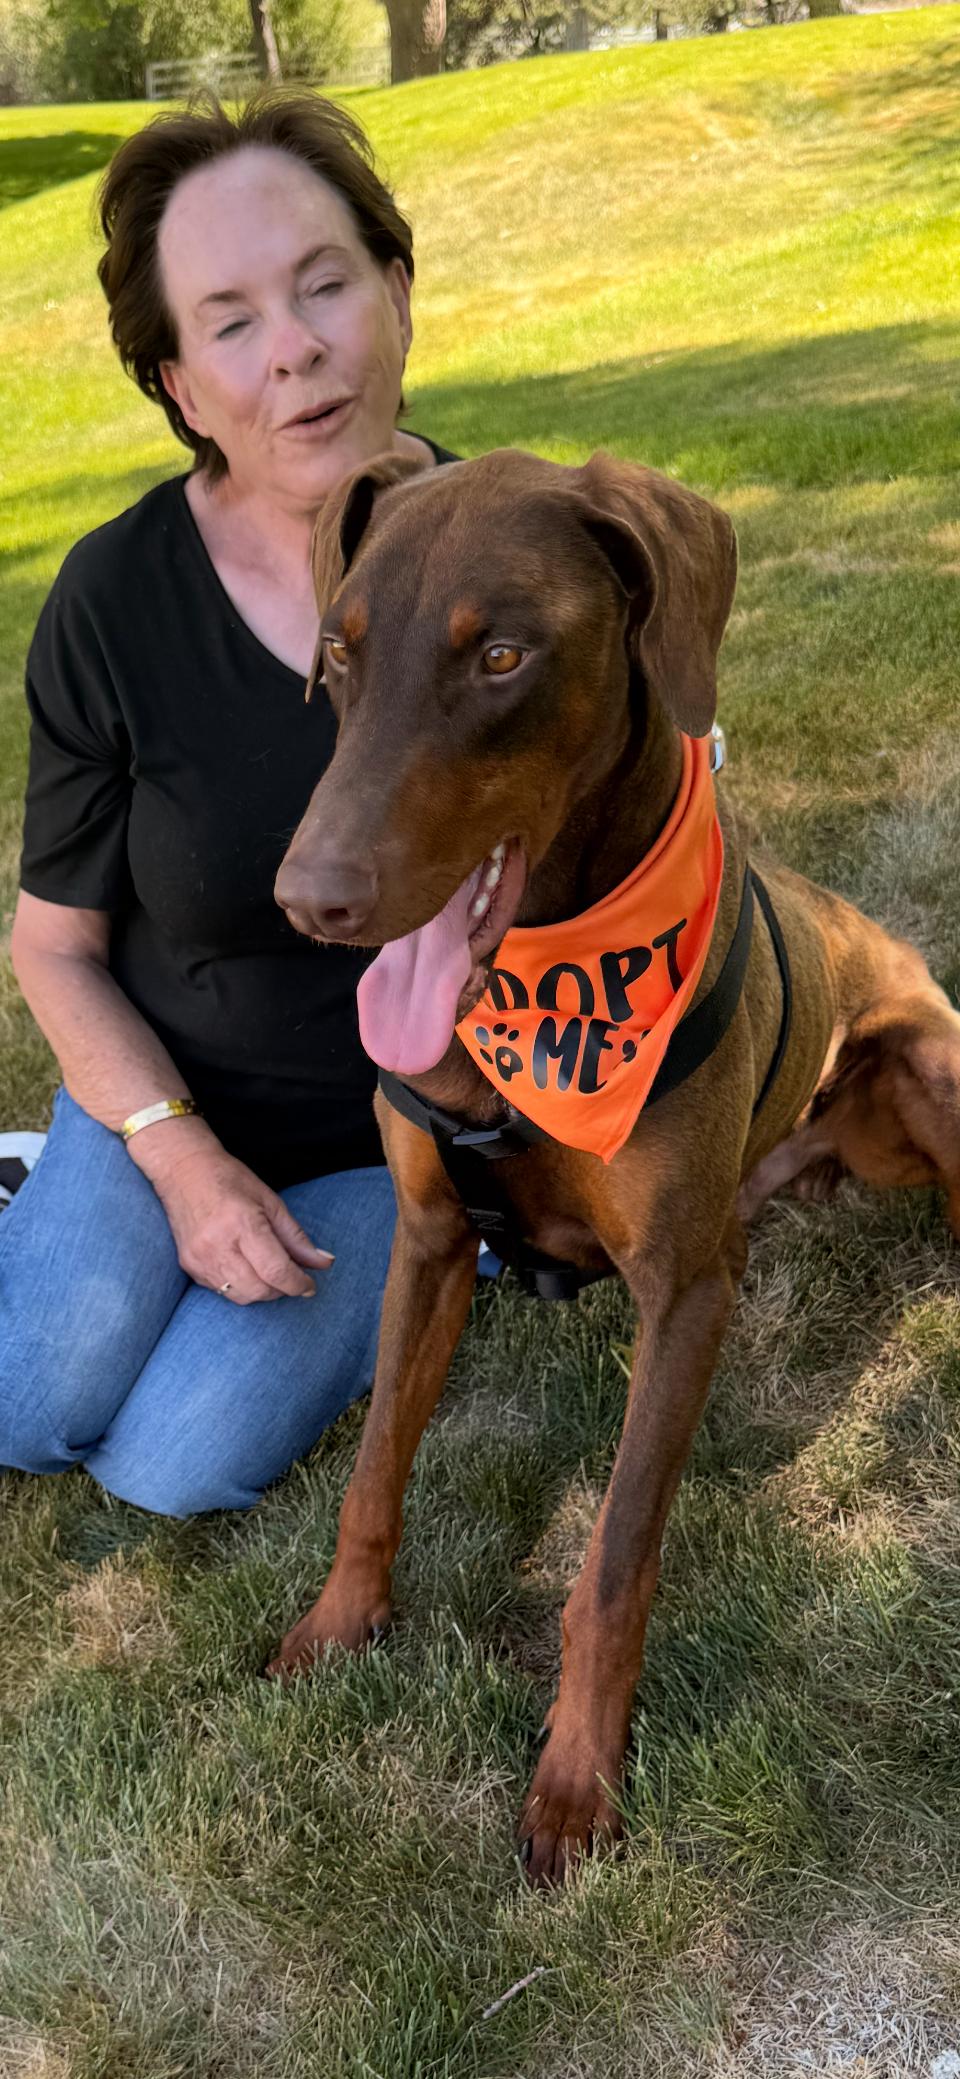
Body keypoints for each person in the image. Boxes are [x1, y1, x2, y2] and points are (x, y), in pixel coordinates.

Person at [0, 90, 460, 1516]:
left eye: (326, 285)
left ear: (393, 289)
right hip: (159, 1100)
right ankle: (48, 1178)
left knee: (168, 1467)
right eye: (233, 321)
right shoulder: (114, 600)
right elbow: (53, 943)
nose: (299, 350)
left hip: (398, 1142)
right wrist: (182, 1160)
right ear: (181, 383)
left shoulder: (509, 560)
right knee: (30, 1406)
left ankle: (456, 1246)